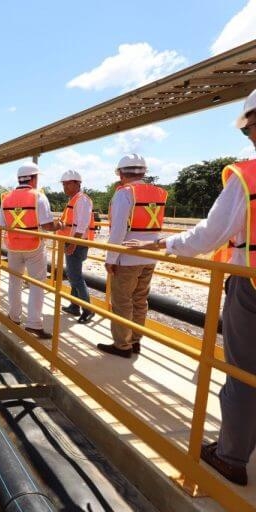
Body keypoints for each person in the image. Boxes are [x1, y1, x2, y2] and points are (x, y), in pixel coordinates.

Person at [124, 89, 256, 486]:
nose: (249, 137)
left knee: (242, 373)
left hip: (250, 284)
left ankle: (231, 455)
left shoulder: (246, 176)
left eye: (250, 129)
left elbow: (210, 234)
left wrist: (167, 244)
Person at [97, 153, 166, 358]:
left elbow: (118, 229)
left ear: (120, 174)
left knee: (122, 301)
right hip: (150, 254)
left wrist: (110, 259)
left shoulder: (125, 193)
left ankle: (122, 345)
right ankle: (135, 341)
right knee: (140, 300)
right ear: (144, 172)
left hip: (128, 257)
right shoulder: (159, 192)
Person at [0, 162, 63, 339]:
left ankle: (14, 317)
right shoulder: (38, 197)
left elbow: (2, 224)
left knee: (14, 282)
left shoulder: (7, 198)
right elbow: (48, 225)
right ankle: (34, 323)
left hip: (13, 246)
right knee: (37, 283)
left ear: (19, 179)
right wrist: (59, 224)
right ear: (34, 178)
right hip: (34, 246)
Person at [57, 170, 97, 324]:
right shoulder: (74, 199)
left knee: (75, 276)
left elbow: (82, 225)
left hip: (77, 242)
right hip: (72, 241)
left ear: (77, 183)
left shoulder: (82, 200)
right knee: (73, 274)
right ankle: (74, 305)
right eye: (63, 184)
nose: (65, 187)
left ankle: (88, 309)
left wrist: (73, 243)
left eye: (68, 183)